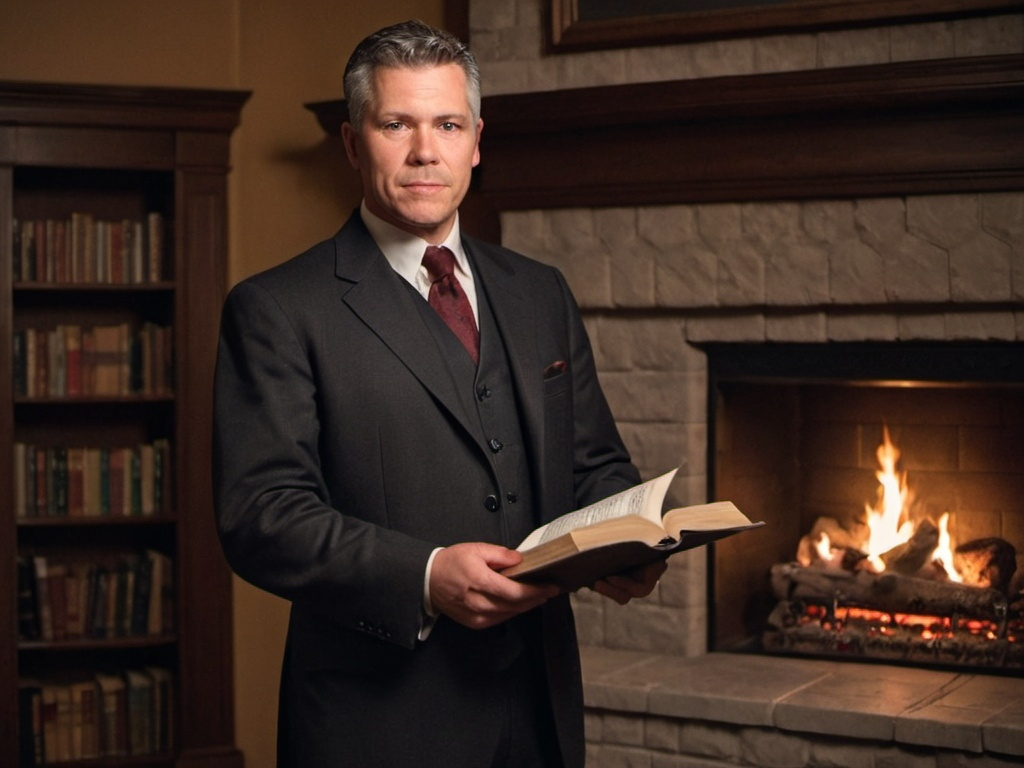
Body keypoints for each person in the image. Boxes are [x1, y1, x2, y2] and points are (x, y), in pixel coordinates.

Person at [213, 19, 665, 768]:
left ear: (477, 141)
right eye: (398, 124)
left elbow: (593, 465)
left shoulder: (539, 291)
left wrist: (631, 543)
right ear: (354, 143)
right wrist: (424, 576)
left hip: (538, 709)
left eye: (448, 124)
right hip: (378, 723)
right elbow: (262, 518)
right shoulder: (277, 309)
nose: (427, 151)